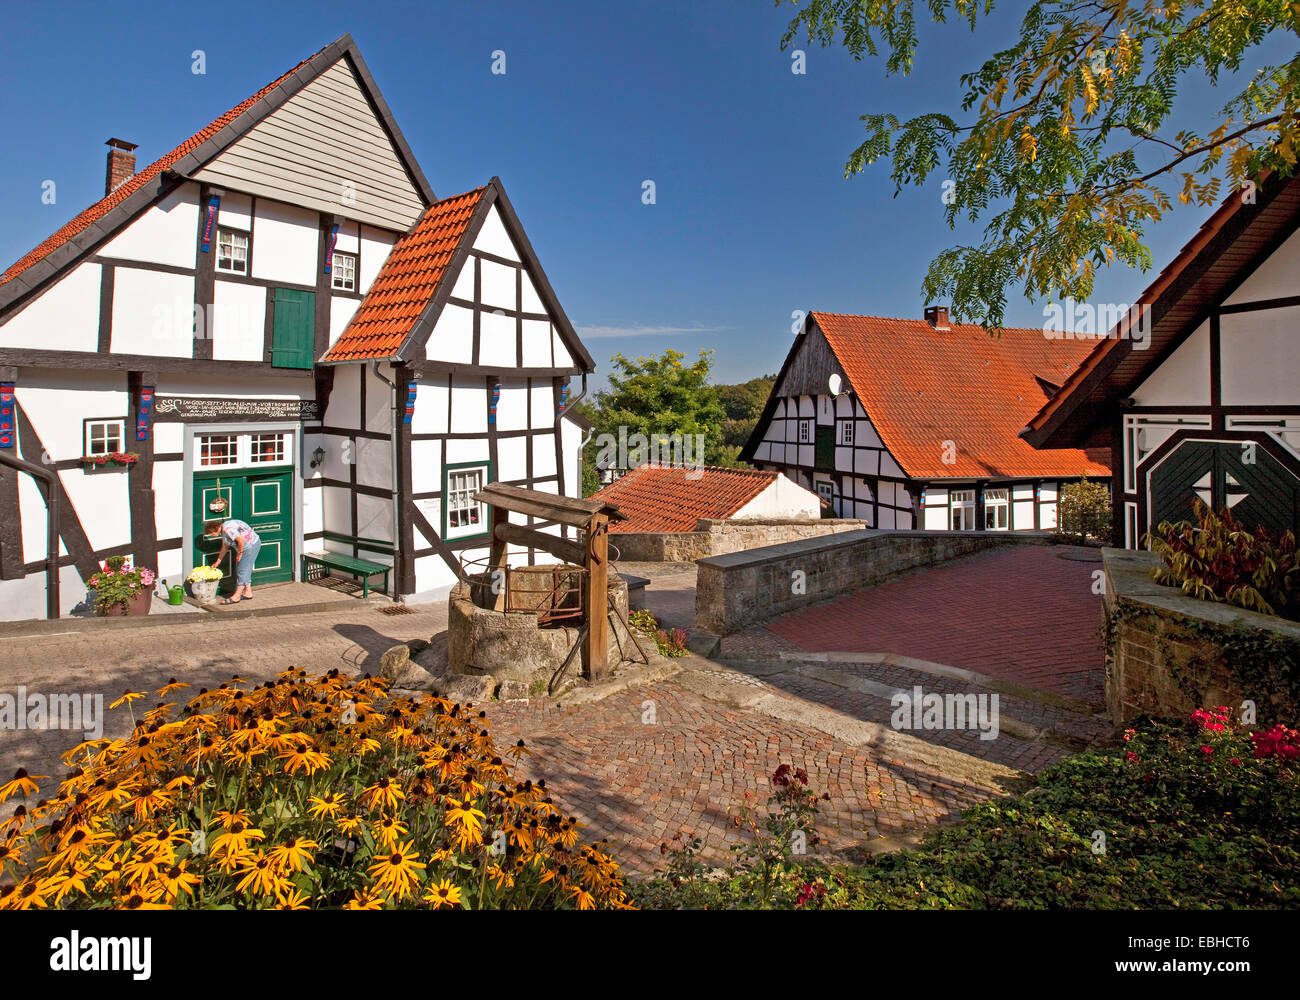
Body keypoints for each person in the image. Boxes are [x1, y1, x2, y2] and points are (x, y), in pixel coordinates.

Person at [202, 518, 261, 604]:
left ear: (213, 531)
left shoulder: (227, 529)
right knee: (244, 568)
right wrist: (218, 561)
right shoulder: (225, 528)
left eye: (211, 534)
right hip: (252, 543)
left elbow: (241, 540)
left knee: (242, 570)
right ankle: (248, 592)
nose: (212, 535)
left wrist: (240, 553)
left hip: (250, 546)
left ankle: (236, 596)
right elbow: (225, 547)